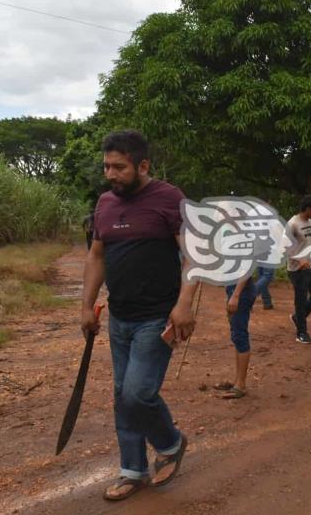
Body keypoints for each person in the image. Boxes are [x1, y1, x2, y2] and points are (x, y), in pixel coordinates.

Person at [81, 130, 198, 502]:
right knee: (121, 394)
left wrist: (184, 304)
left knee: (137, 393)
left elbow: (193, 256)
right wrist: (87, 305)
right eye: (106, 167)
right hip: (121, 315)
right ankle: (132, 470)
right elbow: (97, 255)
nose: (111, 174)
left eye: (119, 167)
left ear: (142, 165)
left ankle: (170, 442)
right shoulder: (104, 203)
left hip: (157, 316)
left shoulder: (169, 198)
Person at [287, 196, 311, 345]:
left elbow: (310, 243)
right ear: (308, 209)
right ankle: (301, 332)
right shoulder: (292, 224)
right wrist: (299, 259)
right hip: (298, 269)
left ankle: (298, 318)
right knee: (301, 300)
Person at [214, 275, 256, 399]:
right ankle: (237, 380)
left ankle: (240, 385)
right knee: (237, 336)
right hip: (234, 289)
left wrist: (236, 295)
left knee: (239, 335)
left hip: (240, 291)